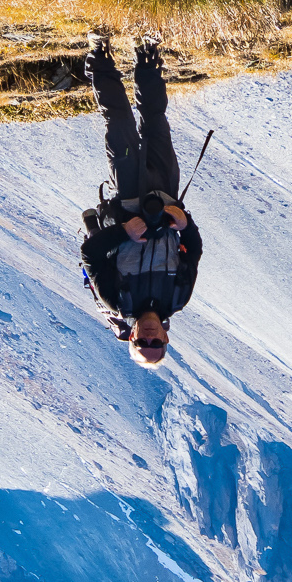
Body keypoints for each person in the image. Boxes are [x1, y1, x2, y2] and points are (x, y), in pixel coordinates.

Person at [79, 31, 203, 366]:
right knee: (156, 123)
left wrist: (124, 233)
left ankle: (100, 52)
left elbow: (90, 255)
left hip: (128, 195)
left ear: (132, 336)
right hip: (167, 196)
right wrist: (184, 225)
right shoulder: (178, 298)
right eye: (155, 341)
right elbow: (194, 253)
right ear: (165, 337)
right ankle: (146, 52)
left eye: (142, 341)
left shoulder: (117, 300)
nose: (149, 335)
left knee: (118, 121)